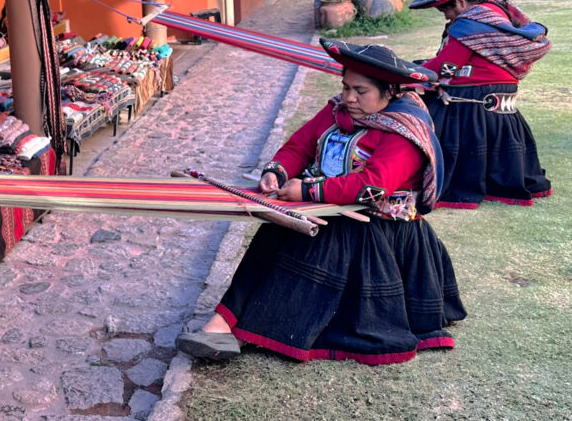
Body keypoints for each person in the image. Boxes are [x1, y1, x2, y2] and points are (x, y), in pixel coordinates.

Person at [176, 40, 466, 365]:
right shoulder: (336, 111)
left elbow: (371, 186)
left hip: (378, 233)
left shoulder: (404, 132)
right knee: (274, 234)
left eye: (361, 91)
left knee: (301, 243)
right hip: (327, 212)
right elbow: (300, 144)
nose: (349, 98)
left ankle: (234, 326)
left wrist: (307, 192)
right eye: (345, 87)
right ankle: (222, 324)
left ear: (391, 93)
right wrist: (277, 172)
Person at [409, 0, 552, 208]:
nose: (446, 16)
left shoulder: (467, 25)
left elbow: (446, 67)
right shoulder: (498, 13)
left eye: (446, 9)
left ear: (462, 3)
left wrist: (409, 72)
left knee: (427, 108)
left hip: (474, 98)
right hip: (504, 100)